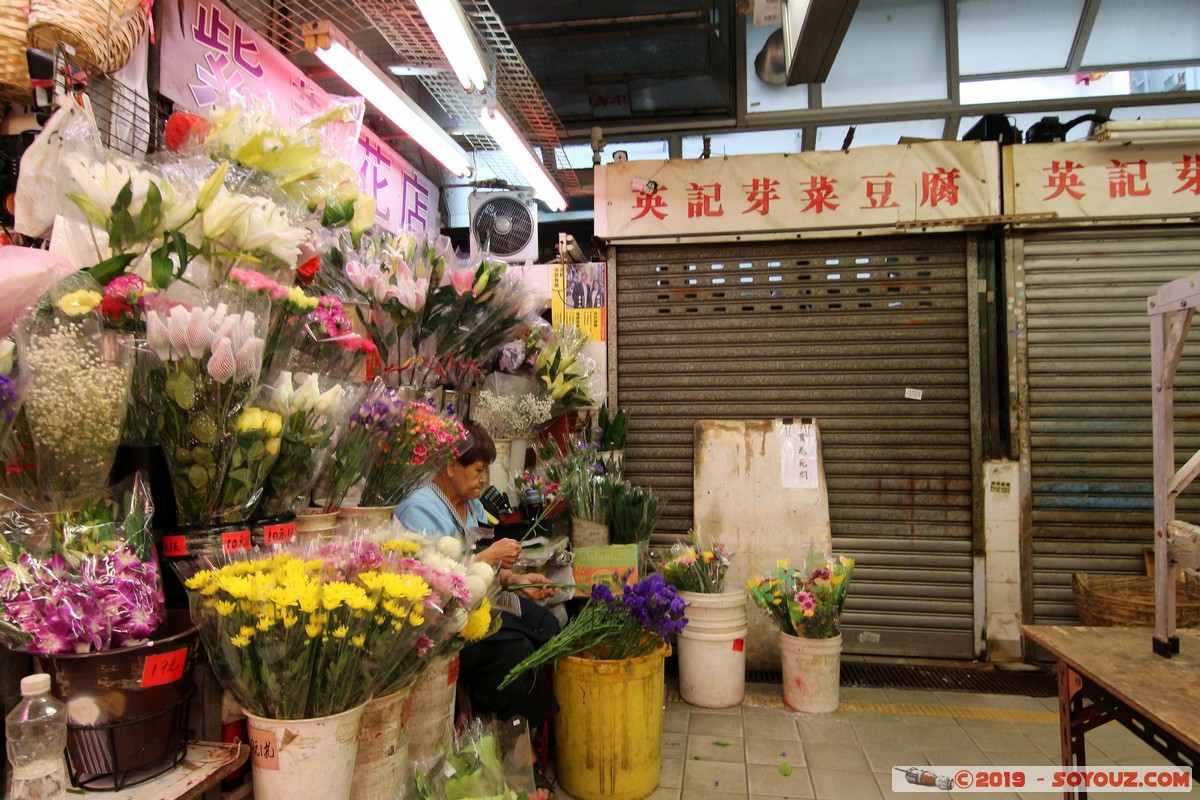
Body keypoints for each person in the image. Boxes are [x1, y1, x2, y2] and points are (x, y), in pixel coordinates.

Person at [394, 422, 559, 798]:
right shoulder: (419, 509)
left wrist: (518, 581)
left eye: (486, 470)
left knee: (547, 626)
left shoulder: (473, 507)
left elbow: (491, 576)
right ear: (450, 465)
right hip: (446, 625)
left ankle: (528, 733)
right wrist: (488, 556)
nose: (484, 479)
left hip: (484, 604)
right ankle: (522, 758)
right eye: (477, 469)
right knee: (516, 650)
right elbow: (439, 583)